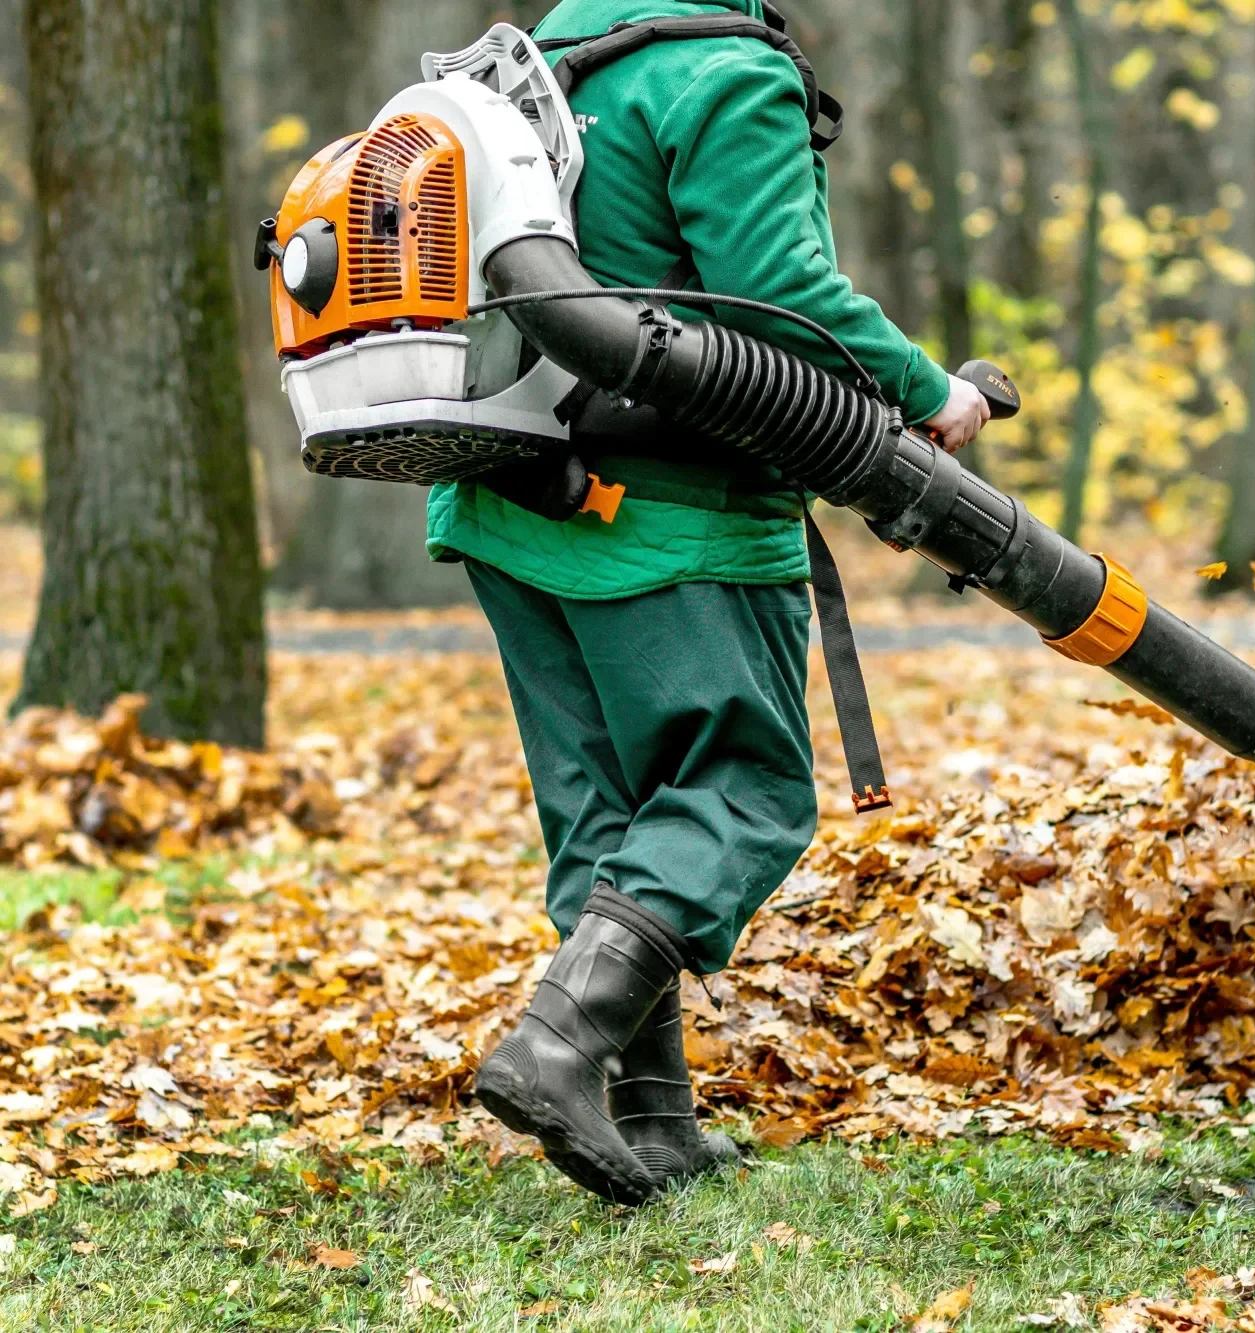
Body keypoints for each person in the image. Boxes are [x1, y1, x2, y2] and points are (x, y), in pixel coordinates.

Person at [433, 0, 991, 1204]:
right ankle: (557, 1048)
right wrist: (926, 388)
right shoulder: (722, 75)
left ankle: (652, 1118)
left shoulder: (540, 58)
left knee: (612, 812)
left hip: (507, 493)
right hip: (665, 510)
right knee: (744, 789)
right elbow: (777, 294)